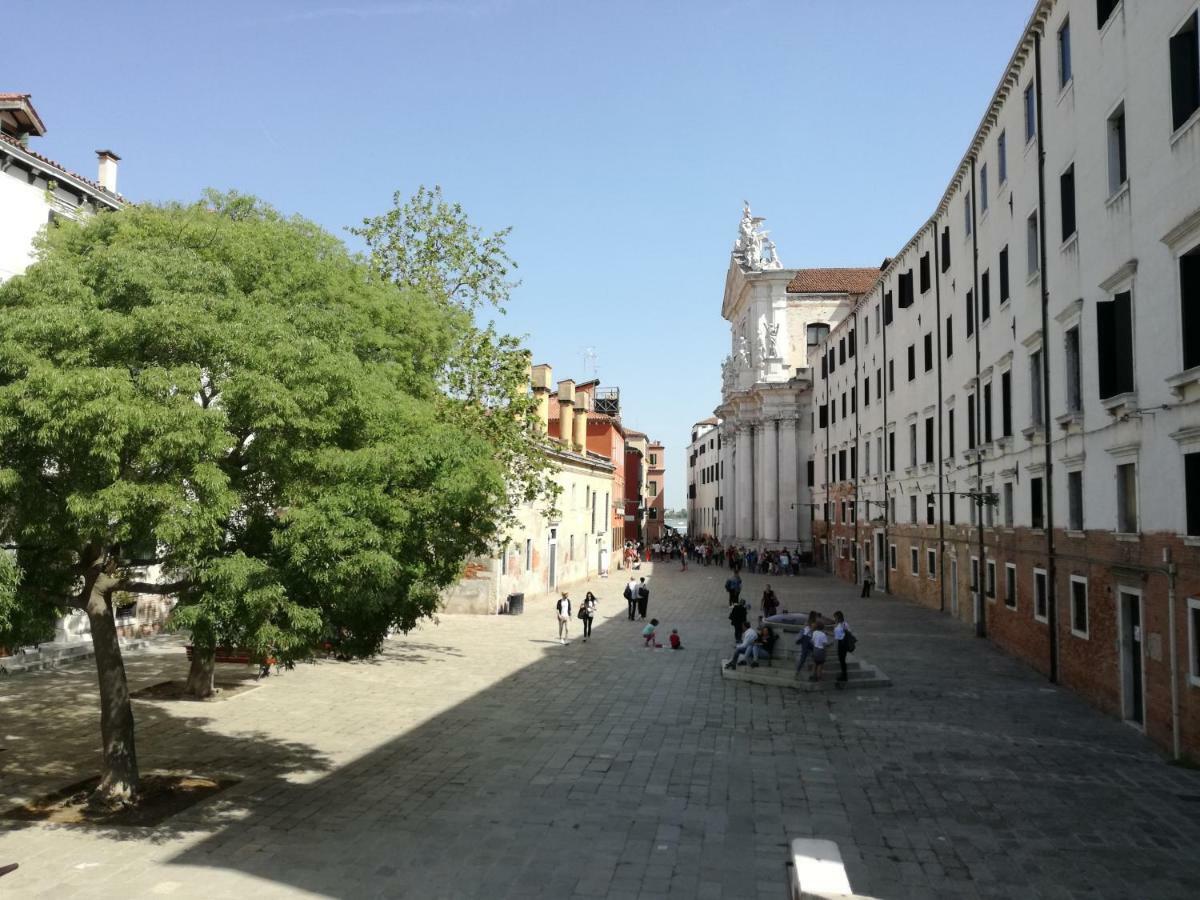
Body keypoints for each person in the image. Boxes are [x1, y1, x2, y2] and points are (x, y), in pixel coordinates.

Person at [794, 611, 818, 677]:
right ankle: (812, 673)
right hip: (809, 639)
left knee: (803, 656)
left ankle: (797, 671)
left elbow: (803, 629)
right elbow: (813, 631)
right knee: (814, 655)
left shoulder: (807, 622)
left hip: (805, 639)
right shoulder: (814, 623)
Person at [833, 610, 852, 682]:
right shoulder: (845, 624)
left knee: (842, 660)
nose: (834, 619)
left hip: (841, 644)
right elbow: (849, 632)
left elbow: (837, 638)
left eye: (835, 617)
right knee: (843, 660)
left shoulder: (837, 627)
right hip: (846, 643)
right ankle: (844, 675)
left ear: (837, 618)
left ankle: (844, 676)